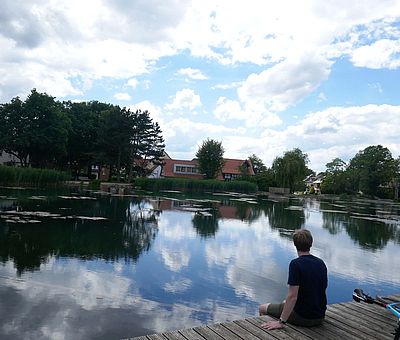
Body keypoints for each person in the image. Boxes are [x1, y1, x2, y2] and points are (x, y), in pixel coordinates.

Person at [259, 229, 327, 330]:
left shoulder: (296, 264)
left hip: (303, 317)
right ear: (311, 243)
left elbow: (292, 296)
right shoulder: (321, 263)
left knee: (262, 308)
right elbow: (320, 289)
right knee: (284, 302)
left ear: (295, 244)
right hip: (320, 316)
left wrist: (281, 322)